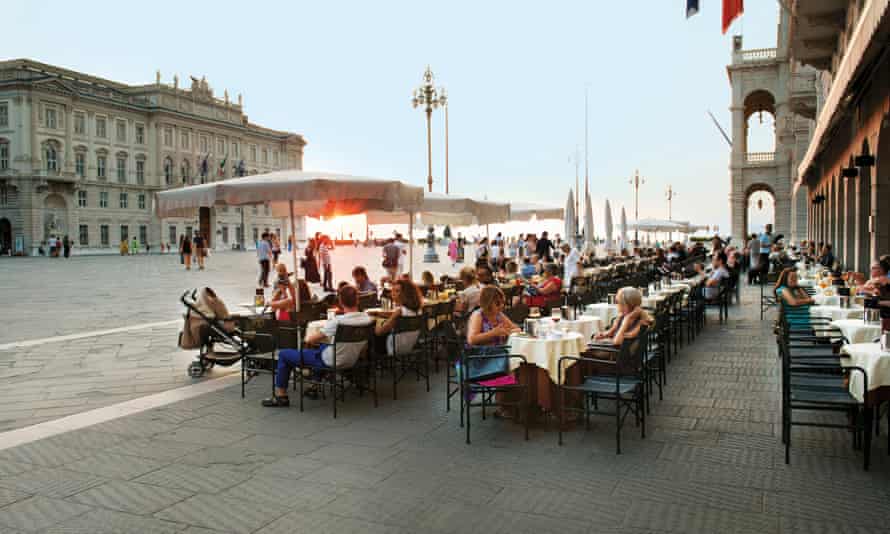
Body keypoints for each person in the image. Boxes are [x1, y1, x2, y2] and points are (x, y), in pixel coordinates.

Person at [262, 285, 373, 407]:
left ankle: (281, 396)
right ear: (357, 300)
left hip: (331, 360)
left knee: (284, 355)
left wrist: (318, 336)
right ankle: (313, 386)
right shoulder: (367, 319)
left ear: (340, 302)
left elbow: (309, 339)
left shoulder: (338, 321)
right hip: (352, 359)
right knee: (321, 349)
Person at [374, 279, 423, 357]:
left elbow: (379, 332)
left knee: (373, 336)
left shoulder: (399, 311)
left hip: (394, 347)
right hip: (410, 345)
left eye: (397, 291)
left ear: (406, 293)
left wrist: (376, 323)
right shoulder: (419, 310)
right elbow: (400, 316)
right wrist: (380, 314)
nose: (392, 293)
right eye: (392, 290)